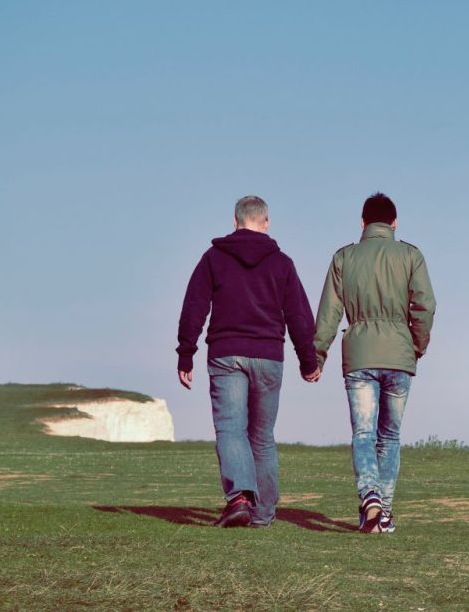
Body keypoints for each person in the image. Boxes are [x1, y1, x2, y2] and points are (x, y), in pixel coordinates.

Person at [176, 195, 319, 528]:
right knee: (262, 435)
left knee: (230, 428)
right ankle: (263, 514)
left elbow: (194, 307)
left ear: (235, 220)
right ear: (265, 223)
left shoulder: (213, 258)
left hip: (226, 353)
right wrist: (308, 361)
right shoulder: (282, 263)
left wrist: (186, 352)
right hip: (269, 356)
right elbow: (298, 315)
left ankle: (239, 497)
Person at [311, 192, 436, 533]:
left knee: (364, 434)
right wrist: (417, 346)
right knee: (390, 437)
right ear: (394, 223)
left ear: (363, 223)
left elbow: (329, 313)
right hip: (399, 355)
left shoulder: (343, 258)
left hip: (359, 357)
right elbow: (425, 305)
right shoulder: (411, 256)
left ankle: (371, 497)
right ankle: (384, 513)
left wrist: (316, 353)